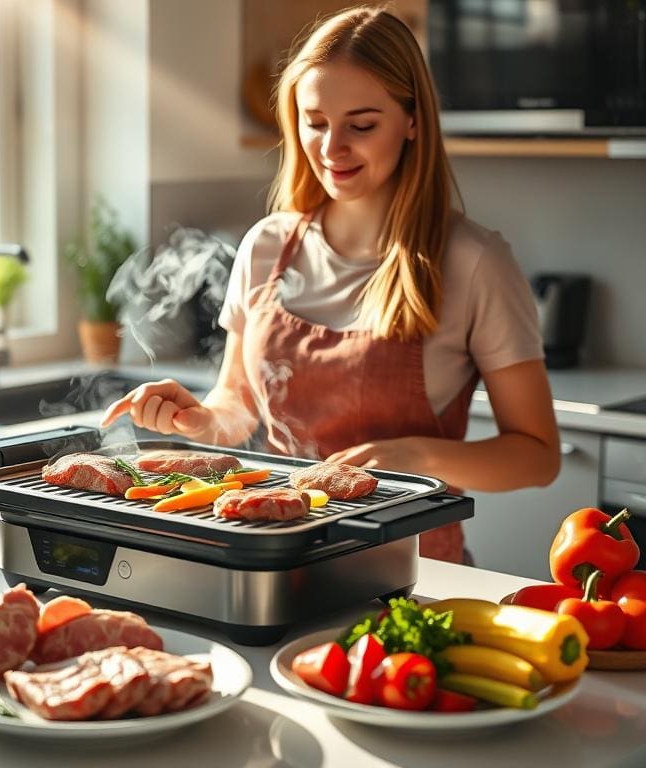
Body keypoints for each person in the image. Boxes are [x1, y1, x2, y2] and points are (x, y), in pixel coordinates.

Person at [101, 6, 560, 563]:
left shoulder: (474, 262)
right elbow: (239, 405)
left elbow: (538, 456)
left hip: (414, 575)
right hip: (276, 562)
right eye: (314, 122)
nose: (331, 148)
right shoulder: (267, 246)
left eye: (361, 125)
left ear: (413, 120)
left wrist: (416, 454)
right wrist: (197, 417)